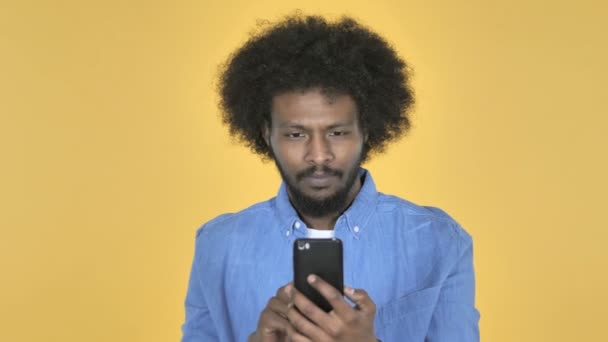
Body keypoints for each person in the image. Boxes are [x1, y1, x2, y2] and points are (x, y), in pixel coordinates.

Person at [181, 14, 480, 342]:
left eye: (337, 132)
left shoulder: (439, 241)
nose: (319, 155)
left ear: (365, 130)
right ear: (267, 134)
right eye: (296, 134)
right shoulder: (218, 245)